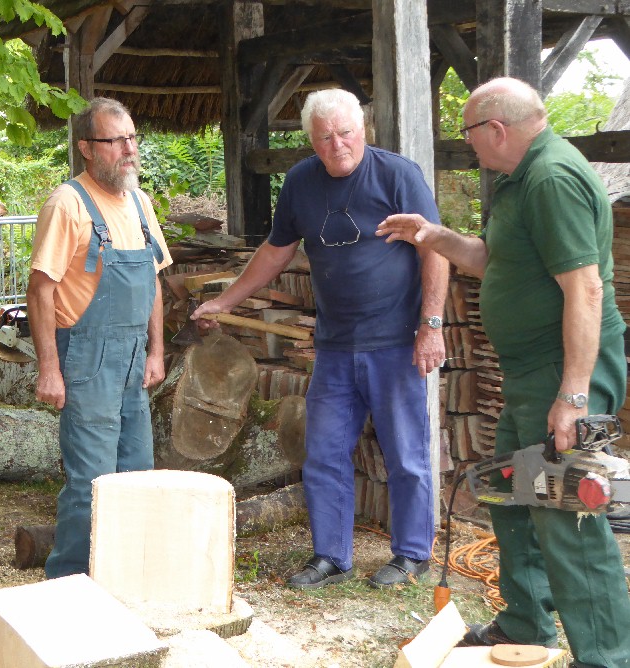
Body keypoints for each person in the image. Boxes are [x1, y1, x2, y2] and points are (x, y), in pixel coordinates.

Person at [377, 77, 630, 668]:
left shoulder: (552, 178)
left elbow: (586, 289)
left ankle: (607, 656)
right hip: (532, 371)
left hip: (561, 370)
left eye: (469, 133)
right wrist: (434, 235)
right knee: (511, 493)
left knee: (567, 511)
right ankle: (525, 623)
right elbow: (492, 257)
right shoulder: (521, 179)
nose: (468, 145)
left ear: (496, 128)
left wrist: (573, 395)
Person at [193, 88, 450, 589]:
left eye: (345, 133)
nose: (337, 145)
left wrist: (432, 324)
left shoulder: (397, 175)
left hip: (396, 341)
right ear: (311, 140)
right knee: (324, 453)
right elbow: (276, 251)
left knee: (406, 454)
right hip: (334, 345)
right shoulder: (300, 181)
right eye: (325, 137)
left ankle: (412, 554)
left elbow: (434, 250)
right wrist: (226, 301)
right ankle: (331, 555)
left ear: (362, 129)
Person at [26, 97, 173, 579]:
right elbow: (40, 290)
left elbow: (153, 281)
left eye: (132, 138)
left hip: (133, 357)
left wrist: (156, 351)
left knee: (136, 472)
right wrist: (49, 369)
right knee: (91, 482)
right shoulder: (68, 204)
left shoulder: (140, 202)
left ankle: (123, 578)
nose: (129, 149)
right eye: (116, 141)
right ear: (87, 148)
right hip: (87, 359)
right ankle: (69, 581)